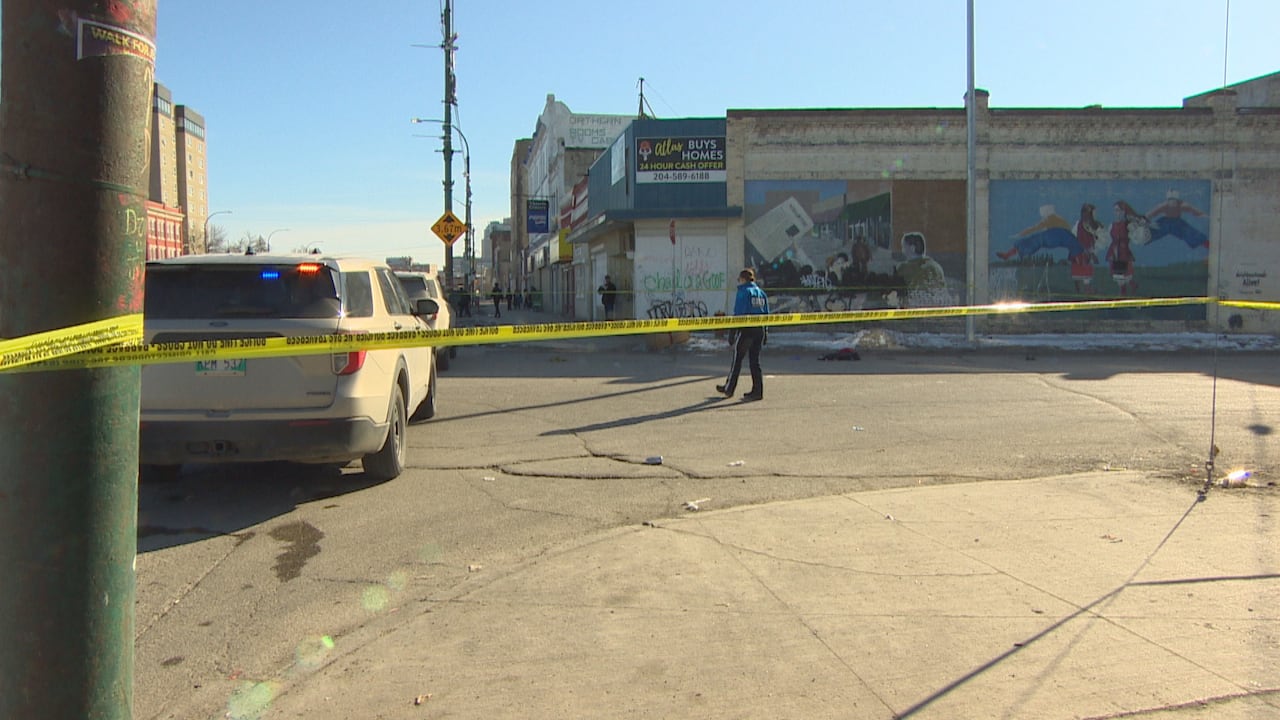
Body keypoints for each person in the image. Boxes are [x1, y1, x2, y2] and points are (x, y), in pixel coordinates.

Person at [716, 268, 770, 402]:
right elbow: (766, 314)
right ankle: (757, 391)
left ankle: (729, 388)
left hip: (747, 330)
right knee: (754, 361)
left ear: (743, 279)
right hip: (759, 330)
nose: (738, 282)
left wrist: (732, 331)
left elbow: (739, 312)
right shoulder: (761, 293)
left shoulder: (743, 292)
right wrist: (766, 331)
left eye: (739, 279)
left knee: (737, 360)